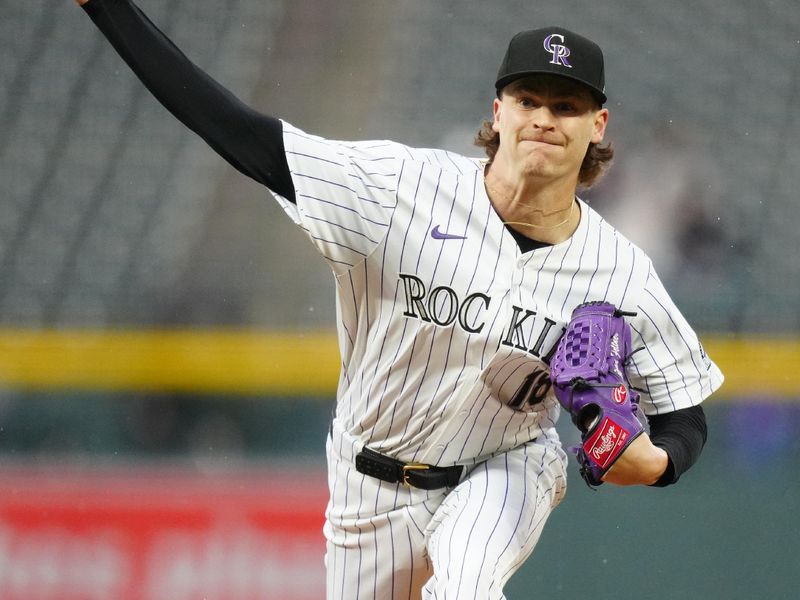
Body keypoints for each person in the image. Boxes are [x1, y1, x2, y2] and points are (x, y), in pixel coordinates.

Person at [74, 2, 724, 598]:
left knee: (464, 590)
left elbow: (684, 414)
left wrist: (653, 460)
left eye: (567, 105)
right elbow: (241, 134)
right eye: (529, 98)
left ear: (597, 125)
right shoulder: (395, 191)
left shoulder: (618, 270)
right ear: (498, 111)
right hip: (368, 488)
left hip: (505, 467)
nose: (545, 119)